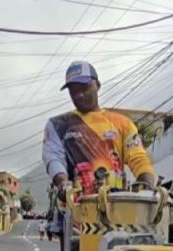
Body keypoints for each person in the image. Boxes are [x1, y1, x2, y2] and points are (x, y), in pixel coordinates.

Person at [42, 60, 157, 195]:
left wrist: (148, 187)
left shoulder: (122, 123)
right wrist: (62, 182)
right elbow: (53, 157)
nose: (79, 95)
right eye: (73, 91)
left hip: (116, 205)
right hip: (78, 206)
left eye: (84, 88)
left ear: (97, 85)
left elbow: (138, 158)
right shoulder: (57, 125)